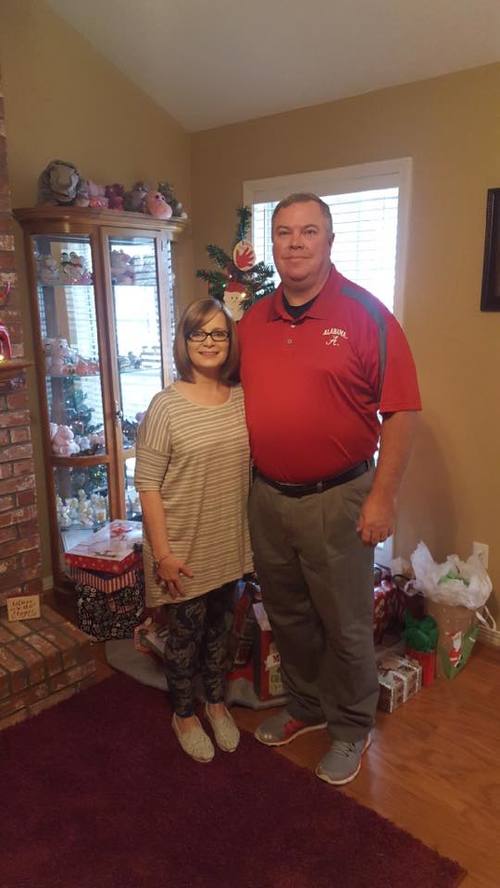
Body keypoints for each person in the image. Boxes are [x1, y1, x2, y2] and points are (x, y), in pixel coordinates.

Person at [238, 193, 421, 786]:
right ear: (272, 243)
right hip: (268, 497)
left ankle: (351, 726)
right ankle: (307, 705)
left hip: (340, 496)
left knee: (344, 622)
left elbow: (401, 413)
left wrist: (382, 497)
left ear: (330, 241)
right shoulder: (253, 323)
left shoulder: (367, 316)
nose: (295, 243)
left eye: (309, 231)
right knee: (288, 614)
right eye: (284, 232)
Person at [134, 297, 253, 763]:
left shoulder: (241, 398)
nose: (208, 342)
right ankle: (184, 714)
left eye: (218, 333)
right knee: (184, 639)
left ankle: (216, 702)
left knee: (221, 632)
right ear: (184, 342)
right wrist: (163, 554)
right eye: (198, 333)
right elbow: (147, 484)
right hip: (181, 548)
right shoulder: (165, 406)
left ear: (229, 340)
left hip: (229, 543)